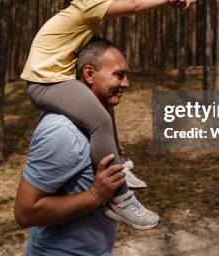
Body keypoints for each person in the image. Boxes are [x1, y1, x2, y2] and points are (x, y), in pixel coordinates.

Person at [20, 0, 191, 229]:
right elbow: (134, 6)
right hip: (45, 83)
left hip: (52, 80)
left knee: (101, 104)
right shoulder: (86, 5)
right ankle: (121, 199)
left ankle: (118, 164)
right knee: (99, 121)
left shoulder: (82, 13)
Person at [16, 39, 144, 255]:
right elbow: (25, 213)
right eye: (118, 75)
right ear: (89, 74)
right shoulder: (62, 130)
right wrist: (95, 194)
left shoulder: (96, 123)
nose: (126, 83)